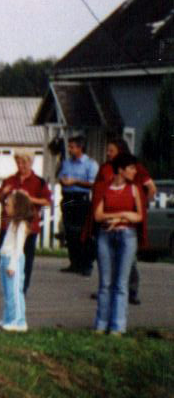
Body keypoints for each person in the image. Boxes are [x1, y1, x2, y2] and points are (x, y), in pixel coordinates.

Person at [89, 138, 155, 306]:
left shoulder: (134, 167)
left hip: (128, 221)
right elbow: (98, 189)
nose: (108, 153)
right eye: (107, 150)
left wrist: (141, 204)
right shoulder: (105, 168)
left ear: (120, 151)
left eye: (111, 150)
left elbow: (151, 187)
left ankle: (131, 290)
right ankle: (107, 288)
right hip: (107, 218)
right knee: (107, 259)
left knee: (128, 260)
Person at [0, 152, 52, 296]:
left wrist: (29, 198)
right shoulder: (10, 179)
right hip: (9, 225)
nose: (20, 166)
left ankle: (22, 290)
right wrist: (3, 193)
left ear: (31, 163)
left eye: (24, 163)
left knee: (26, 258)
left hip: (29, 227)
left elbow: (47, 202)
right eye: (18, 162)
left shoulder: (39, 182)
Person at [92, 155, 145, 336]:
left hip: (127, 236)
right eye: (131, 168)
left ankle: (117, 326)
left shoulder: (134, 189)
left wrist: (120, 218)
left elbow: (138, 216)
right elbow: (98, 215)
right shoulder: (104, 188)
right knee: (105, 282)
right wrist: (121, 216)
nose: (134, 171)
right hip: (105, 236)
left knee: (121, 283)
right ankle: (101, 324)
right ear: (121, 170)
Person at [56, 135, 97, 276]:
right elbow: (61, 177)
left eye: (72, 147)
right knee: (70, 232)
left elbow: (93, 183)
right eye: (69, 147)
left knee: (82, 232)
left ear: (80, 148)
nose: (70, 149)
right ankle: (74, 263)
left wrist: (75, 182)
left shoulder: (90, 164)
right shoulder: (67, 163)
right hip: (68, 198)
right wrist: (63, 181)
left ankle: (86, 264)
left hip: (81, 198)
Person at [0, 191, 35, 333]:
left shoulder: (21, 225)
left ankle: (19, 322)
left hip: (14, 261)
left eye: (9, 205)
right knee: (8, 292)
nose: (6, 207)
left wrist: (13, 264)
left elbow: (18, 248)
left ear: (17, 207)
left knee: (15, 292)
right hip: (5, 258)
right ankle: (8, 318)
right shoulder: (13, 223)